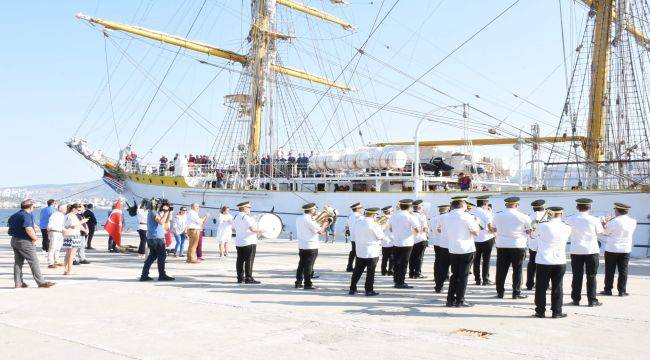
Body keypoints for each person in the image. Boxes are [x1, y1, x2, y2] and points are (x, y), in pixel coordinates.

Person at [533, 207, 571, 318]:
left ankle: (540, 311)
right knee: (558, 287)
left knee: (541, 287)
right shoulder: (567, 227)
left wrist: (536, 225)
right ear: (561, 214)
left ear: (549, 214)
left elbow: (533, 235)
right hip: (559, 260)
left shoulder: (542, 225)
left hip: (543, 260)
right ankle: (557, 311)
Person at [565, 198, 604, 306]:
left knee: (577, 276)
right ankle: (592, 300)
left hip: (576, 250)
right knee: (591, 276)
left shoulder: (570, 219)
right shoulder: (594, 219)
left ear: (577, 207)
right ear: (590, 207)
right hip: (591, 250)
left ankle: (576, 299)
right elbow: (601, 233)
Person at [8, 199, 55, 288]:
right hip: (25, 242)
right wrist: (34, 238)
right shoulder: (26, 215)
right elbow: (28, 228)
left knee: (18, 262)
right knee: (34, 262)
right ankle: (41, 282)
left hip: (14, 240)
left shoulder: (15, 215)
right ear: (30, 207)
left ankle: (18, 283)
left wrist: (34, 227)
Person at [493, 196, 532, 299]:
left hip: (502, 245)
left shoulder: (497, 216)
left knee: (501, 270)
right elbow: (529, 231)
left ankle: (500, 292)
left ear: (506, 205)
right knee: (518, 270)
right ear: (517, 205)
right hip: (517, 245)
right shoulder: (523, 216)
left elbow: (494, 228)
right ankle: (516, 292)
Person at [445, 197, 480, 307]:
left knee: (454, 275)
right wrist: (476, 223)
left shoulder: (446, 216)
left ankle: (450, 300)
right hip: (466, 248)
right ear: (462, 205)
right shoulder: (467, 217)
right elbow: (476, 233)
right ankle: (460, 300)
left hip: (453, 248)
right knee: (463, 276)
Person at [600, 202, 637, 297]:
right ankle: (622, 291)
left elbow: (605, 232)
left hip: (612, 248)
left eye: (615, 210)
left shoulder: (614, 221)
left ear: (617, 210)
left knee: (610, 270)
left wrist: (604, 223)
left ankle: (608, 289)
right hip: (625, 249)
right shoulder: (633, 221)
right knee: (623, 270)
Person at [349, 208, 385, 296]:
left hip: (360, 251)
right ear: (374, 215)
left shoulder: (358, 223)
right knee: (370, 272)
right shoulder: (374, 224)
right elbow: (380, 236)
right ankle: (369, 290)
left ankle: (352, 288)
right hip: (371, 252)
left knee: (357, 271)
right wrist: (382, 227)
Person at [295, 203, 329, 289]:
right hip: (311, 245)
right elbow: (320, 231)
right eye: (314, 209)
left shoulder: (299, 218)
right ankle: (307, 284)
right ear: (311, 210)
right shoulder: (309, 220)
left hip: (302, 245)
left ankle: (298, 282)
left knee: (301, 264)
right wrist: (325, 223)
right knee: (309, 266)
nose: (315, 211)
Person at [140, 200, 175, 281]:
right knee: (161, 256)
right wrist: (166, 211)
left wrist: (169, 212)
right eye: (159, 204)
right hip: (157, 238)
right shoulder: (153, 212)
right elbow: (161, 222)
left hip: (152, 238)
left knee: (152, 257)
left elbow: (165, 221)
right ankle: (162, 275)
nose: (160, 206)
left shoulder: (154, 212)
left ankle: (144, 275)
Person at [388, 199, 419, 289]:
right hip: (407, 243)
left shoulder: (393, 216)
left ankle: (396, 280)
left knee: (397, 262)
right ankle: (401, 282)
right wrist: (410, 234)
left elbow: (390, 229)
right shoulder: (411, 217)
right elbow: (417, 230)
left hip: (396, 242)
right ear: (409, 207)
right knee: (404, 263)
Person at [470, 195, 496, 286]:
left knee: (476, 260)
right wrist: (496, 232)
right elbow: (490, 227)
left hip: (475, 239)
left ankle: (477, 279)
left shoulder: (471, 211)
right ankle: (485, 279)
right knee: (486, 260)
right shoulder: (486, 212)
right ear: (485, 203)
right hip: (487, 238)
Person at [234, 201, 260, 284]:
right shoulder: (247, 217)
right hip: (249, 242)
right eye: (249, 207)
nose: (249, 209)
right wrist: (263, 230)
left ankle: (240, 278)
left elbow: (234, 228)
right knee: (249, 261)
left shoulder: (236, 217)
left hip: (239, 242)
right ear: (244, 208)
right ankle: (248, 278)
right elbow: (253, 229)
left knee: (240, 260)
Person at [526, 199, 547, 290]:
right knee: (545, 264)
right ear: (543, 206)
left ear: (533, 208)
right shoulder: (549, 216)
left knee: (532, 264)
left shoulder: (529, 216)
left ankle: (530, 284)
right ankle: (545, 284)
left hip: (533, 243)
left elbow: (527, 230)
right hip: (545, 243)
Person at [62, 204, 88, 275]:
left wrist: (84, 229)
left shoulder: (66, 215)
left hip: (67, 235)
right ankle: (69, 270)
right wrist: (82, 222)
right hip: (74, 235)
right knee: (72, 254)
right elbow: (73, 226)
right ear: (73, 209)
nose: (79, 211)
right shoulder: (72, 216)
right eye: (78, 210)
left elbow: (66, 225)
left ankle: (65, 269)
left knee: (67, 254)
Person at [432, 204, 451, 293]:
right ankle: (446, 277)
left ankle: (438, 282)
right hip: (447, 244)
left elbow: (435, 230)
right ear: (447, 209)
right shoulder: (447, 217)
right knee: (446, 264)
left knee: (439, 263)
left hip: (438, 242)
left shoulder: (434, 218)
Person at [409, 200, 428, 279]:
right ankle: (417, 273)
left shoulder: (410, 215)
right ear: (420, 207)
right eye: (422, 206)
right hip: (420, 238)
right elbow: (425, 229)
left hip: (411, 239)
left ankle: (411, 273)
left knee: (412, 257)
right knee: (419, 257)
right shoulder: (422, 216)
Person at [47, 204, 67, 268]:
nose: (66, 210)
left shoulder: (63, 215)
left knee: (58, 248)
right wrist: (49, 232)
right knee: (52, 248)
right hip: (55, 232)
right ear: (61, 209)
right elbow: (50, 224)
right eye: (65, 208)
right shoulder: (55, 215)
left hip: (60, 233)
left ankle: (56, 261)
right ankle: (50, 262)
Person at [345, 203, 364, 272]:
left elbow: (347, 226)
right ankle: (357, 268)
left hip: (353, 237)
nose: (362, 209)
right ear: (358, 209)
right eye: (361, 208)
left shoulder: (350, 216)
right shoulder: (360, 217)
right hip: (359, 237)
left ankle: (349, 266)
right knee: (359, 253)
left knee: (353, 252)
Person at [379, 206, 394, 276]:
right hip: (391, 239)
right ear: (389, 211)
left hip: (384, 240)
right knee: (391, 257)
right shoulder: (391, 218)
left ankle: (383, 270)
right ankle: (390, 270)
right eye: (392, 211)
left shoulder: (381, 218)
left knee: (385, 257)